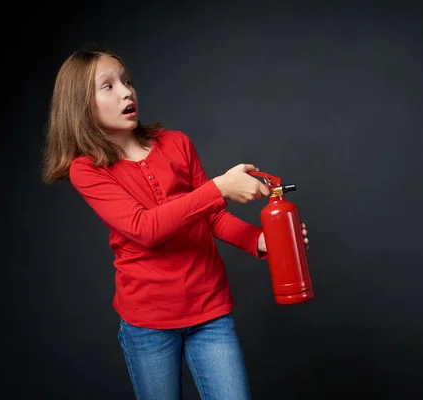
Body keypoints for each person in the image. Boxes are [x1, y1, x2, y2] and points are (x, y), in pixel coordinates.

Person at [41, 44, 309, 400]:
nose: (126, 91)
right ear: (80, 106)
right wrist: (219, 187)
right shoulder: (86, 170)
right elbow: (144, 228)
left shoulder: (176, 143)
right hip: (148, 324)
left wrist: (261, 241)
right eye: (109, 86)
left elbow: (212, 217)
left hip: (210, 311)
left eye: (128, 81)